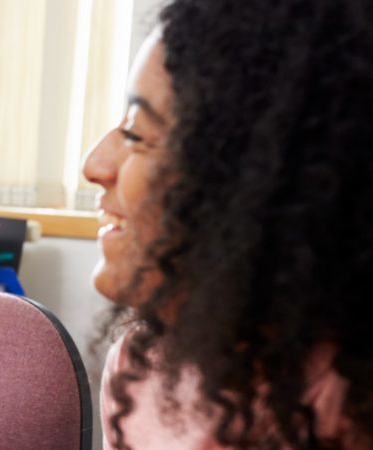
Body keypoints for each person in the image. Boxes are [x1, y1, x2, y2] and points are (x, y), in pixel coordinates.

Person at [83, 0, 373, 448]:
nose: (95, 164)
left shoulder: (344, 402)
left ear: (245, 181)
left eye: (136, 134)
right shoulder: (140, 367)